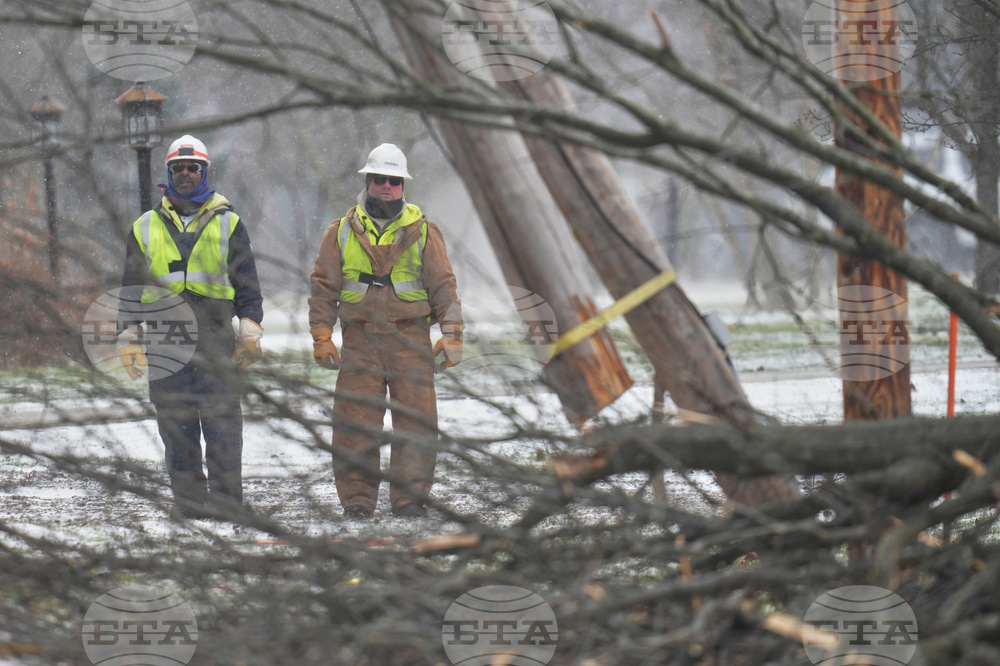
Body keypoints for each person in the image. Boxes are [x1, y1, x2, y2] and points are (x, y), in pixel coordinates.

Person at [309, 143, 463, 519]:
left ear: (403, 185)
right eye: (380, 179)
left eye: (394, 181)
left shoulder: (424, 231)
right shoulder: (340, 231)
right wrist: (321, 335)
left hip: (411, 339)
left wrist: (453, 332)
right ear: (368, 182)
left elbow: (444, 286)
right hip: (359, 339)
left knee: (416, 422)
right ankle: (357, 501)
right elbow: (323, 287)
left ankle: (409, 500)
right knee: (354, 423)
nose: (387, 187)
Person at [119, 134, 264, 520]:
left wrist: (250, 328)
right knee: (176, 427)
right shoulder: (144, 226)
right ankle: (189, 505)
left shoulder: (230, 223)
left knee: (222, 426)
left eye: (193, 168)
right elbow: (130, 288)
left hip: (216, 338)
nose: (185, 173)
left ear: (204, 172)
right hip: (164, 340)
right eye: (178, 168)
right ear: (169, 173)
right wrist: (128, 334)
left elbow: (248, 284)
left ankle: (228, 504)